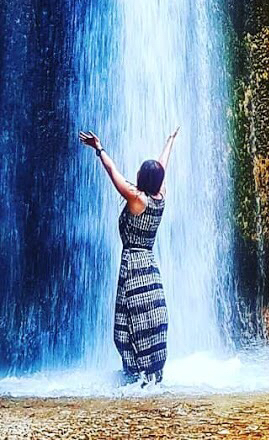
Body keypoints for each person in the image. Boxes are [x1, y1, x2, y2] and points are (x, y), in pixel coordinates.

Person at [78, 126, 180, 385]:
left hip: (134, 266)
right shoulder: (161, 196)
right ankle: (148, 375)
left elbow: (114, 174)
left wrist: (99, 150)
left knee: (128, 321)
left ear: (142, 178)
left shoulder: (138, 199)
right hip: (150, 267)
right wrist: (169, 141)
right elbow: (163, 165)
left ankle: (137, 377)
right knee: (149, 320)